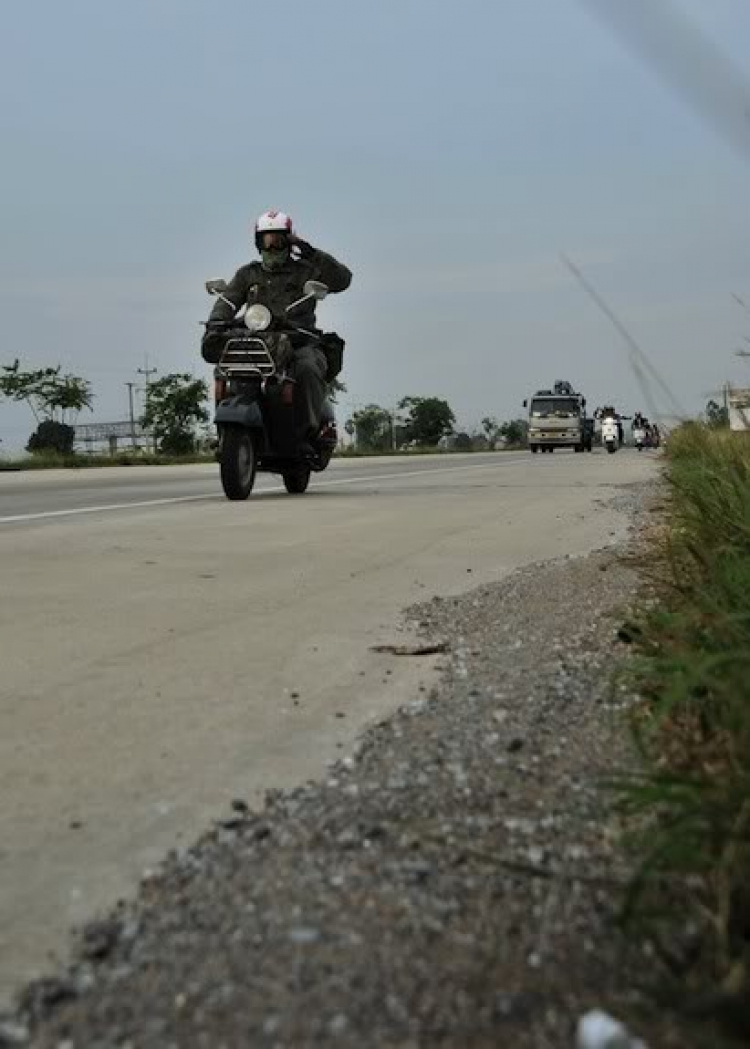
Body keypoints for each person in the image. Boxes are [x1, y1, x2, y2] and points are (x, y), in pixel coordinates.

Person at [202, 210, 352, 454]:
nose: (272, 247)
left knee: (307, 368)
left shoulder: (305, 270)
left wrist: (309, 251)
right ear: (257, 243)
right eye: (266, 240)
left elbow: (342, 280)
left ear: (289, 241)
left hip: (299, 339)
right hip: (258, 339)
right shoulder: (248, 273)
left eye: (278, 240)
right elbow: (228, 301)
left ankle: (307, 434)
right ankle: (225, 433)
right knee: (224, 368)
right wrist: (216, 323)